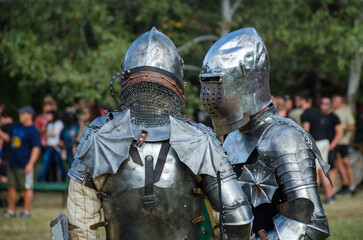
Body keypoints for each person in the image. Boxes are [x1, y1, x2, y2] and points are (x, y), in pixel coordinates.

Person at [65, 28, 253, 240]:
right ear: (177, 84)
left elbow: (80, 226)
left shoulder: (99, 135)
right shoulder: (199, 139)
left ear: (125, 80)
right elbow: (237, 220)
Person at [199, 27, 330, 239]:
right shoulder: (233, 137)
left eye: (216, 82)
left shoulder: (285, 138)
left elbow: (312, 226)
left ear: (245, 79)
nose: (209, 93)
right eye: (206, 82)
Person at [0, 106, 40, 218]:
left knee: (27, 188)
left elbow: (36, 148)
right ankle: (10, 210)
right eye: (20, 113)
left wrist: (31, 164)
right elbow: (9, 139)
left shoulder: (33, 131)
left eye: (23, 113)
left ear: (30, 115)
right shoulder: (16, 126)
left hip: (25, 164)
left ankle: (26, 211)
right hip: (12, 162)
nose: (20, 115)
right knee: (11, 187)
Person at [320, 97, 343, 204]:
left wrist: (332, 145)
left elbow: (340, 132)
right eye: (322, 103)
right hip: (320, 147)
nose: (324, 105)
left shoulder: (334, 117)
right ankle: (329, 193)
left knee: (331, 170)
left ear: (330, 105)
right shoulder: (318, 116)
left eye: (326, 103)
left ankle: (332, 192)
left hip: (330, 148)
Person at [332, 94, 356, 195]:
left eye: (337, 101)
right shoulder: (331, 113)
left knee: (346, 162)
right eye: (334, 100)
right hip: (334, 141)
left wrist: (342, 130)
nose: (335, 103)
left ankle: (352, 187)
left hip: (343, 142)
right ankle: (344, 185)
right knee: (338, 164)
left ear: (341, 102)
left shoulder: (345, 111)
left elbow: (352, 126)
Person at [37, 111, 65, 182]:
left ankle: (64, 182)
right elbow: (47, 134)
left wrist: (62, 140)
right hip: (49, 147)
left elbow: (62, 133)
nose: (47, 117)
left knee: (60, 166)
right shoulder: (49, 124)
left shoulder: (59, 123)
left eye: (48, 115)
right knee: (44, 165)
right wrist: (44, 140)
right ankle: (38, 182)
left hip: (57, 148)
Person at [0, 111, 14, 183]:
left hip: (5, 159)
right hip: (13, 160)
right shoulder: (17, 127)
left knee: (4, 179)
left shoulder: (5, 127)